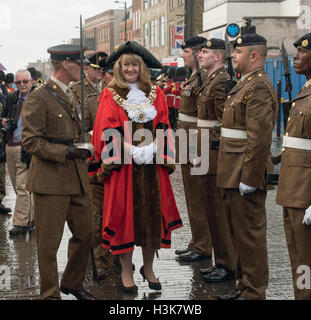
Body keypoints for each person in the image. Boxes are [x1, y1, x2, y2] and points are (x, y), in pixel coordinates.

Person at [90, 41, 182, 293]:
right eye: (126, 65)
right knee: (125, 220)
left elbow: (165, 123)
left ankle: (149, 268)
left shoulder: (157, 93)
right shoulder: (110, 94)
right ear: (120, 68)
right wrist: (129, 149)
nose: (130, 69)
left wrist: (157, 149)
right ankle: (127, 272)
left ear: (142, 68)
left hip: (152, 168)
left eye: (135, 65)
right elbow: (104, 130)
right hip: (124, 169)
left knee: (151, 218)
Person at [22, 44, 95, 300]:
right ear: (66, 64)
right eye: (81, 63)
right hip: (50, 181)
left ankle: (72, 283)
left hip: (76, 178)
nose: (84, 68)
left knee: (87, 232)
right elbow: (31, 142)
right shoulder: (39, 97)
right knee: (48, 245)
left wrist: (84, 147)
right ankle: (50, 294)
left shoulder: (71, 94)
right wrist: (67, 152)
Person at [216, 34, 278, 300]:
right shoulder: (245, 85)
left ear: (253, 56)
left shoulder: (259, 87)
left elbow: (260, 136)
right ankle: (244, 286)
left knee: (250, 236)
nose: (233, 56)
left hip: (244, 172)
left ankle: (254, 291)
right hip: (232, 171)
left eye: (238, 51)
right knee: (238, 234)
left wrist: (251, 177)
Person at [195, 39, 236, 282]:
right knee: (210, 208)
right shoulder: (211, 79)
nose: (200, 55)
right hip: (203, 150)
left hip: (213, 153)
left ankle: (227, 263)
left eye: (206, 51)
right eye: (200, 51)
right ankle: (220, 260)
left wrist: (217, 151)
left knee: (219, 212)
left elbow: (226, 122)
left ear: (218, 57)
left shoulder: (221, 81)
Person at [276, 33, 311, 300]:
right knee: (299, 258)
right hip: (293, 190)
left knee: (306, 261)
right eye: (296, 51)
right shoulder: (305, 88)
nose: (296, 56)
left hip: (306, 193)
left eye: (302, 51)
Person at [175, 36, 213, 262]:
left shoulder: (203, 78)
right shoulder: (193, 77)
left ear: (198, 53)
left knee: (199, 195)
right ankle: (197, 240)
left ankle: (203, 244)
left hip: (196, 142)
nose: (183, 55)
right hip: (186, 139)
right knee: (191, 194)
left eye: (187, 51)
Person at [1, 70, 35, 236]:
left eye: (25, 81)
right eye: (19, 82)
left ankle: (21, 223)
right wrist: (4, 120)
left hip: (27, 147)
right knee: (18, 186)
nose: (22, 85)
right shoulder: (12, 97)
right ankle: (32, 218)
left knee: (22, 186)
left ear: (31, 81)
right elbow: (4, 115)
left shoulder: (37, 98)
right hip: (10, 145)